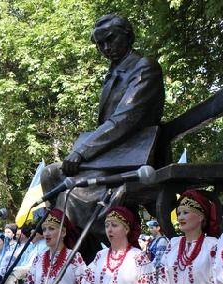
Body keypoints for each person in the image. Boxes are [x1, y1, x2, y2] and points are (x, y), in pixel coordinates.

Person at [41, 14, 165, 260]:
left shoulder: (144, 67)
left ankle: (85, 255)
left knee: (70, 192)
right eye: (100, 44)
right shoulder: (114, 73)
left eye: (110, 39)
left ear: (128, 35)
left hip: (134, 155)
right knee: (50, 174)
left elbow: (124, 119)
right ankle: (80, 250)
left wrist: (82, 151)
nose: (106, 48)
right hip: (112, 154)